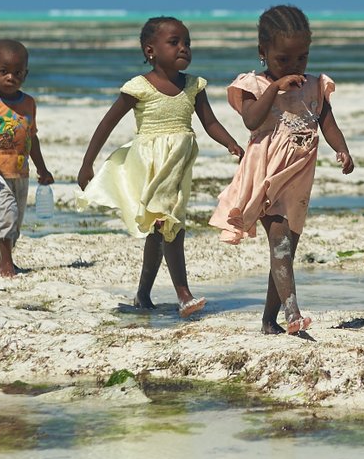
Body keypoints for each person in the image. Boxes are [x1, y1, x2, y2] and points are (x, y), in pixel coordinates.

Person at [77, 17, 242, 317]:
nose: (183, 48)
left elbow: (210, 123)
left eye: (187, 43)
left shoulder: (193, 85)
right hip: (149, 166)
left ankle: (143, 295)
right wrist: (87, 164)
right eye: (174, 42)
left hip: (178, 166)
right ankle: (184, 295)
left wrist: (231, 143)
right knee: (170, 224)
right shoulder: (139, 87)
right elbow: (106, 124)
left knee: (160, 230)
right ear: (150, 50)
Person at [210, 5, 354, 335]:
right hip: (265, 176)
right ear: (263, 52)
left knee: (286, 250)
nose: (294, 66)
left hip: (298, 178)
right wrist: (275, 88)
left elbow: (328, 124)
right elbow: (251, 121)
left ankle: (268, 320)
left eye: (301, 58)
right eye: (283, 59)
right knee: (280, 243)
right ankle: (293, 314)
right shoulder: (255, 85)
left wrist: (342, 149)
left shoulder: (314, 86)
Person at [0, 39, 54, 278]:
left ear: (25, 74)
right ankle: (6, 264)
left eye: (17, 73)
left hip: (20, 171)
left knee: (16, 220)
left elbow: (32, 138)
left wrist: (42, 169)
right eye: (4, 71)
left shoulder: (28, 104)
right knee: (6, 213)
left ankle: (4, 255)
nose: (11, 77)